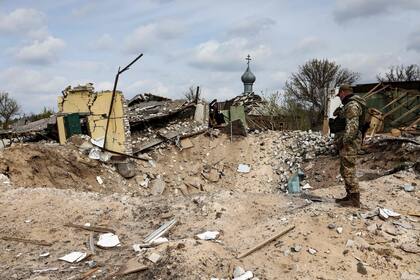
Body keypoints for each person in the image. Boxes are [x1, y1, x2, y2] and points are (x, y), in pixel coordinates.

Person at [334, 84, 367, 207]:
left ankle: (354, 199)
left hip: (350, 142)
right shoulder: (348, 105)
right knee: (344, 169)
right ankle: (349, 195)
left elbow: (352, 128)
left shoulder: (352, 105)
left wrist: (344, 141)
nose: (339, 98)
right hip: (348, 141)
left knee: (349, 169)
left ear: (343, 92)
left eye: (340, 95)